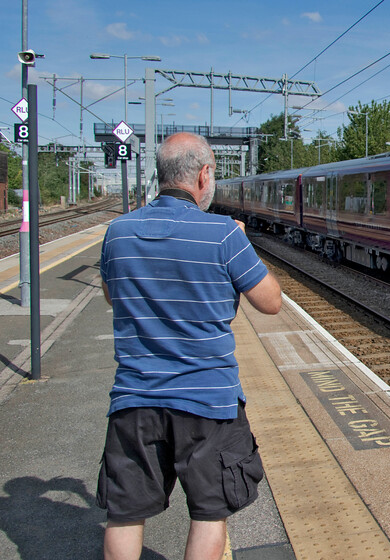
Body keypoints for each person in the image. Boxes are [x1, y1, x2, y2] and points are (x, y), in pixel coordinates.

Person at [97, 132, 283, 560]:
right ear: (203, 175)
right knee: (208, 513)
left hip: (135, 399)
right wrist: (242, 245)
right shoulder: (222, 234)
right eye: (213, 172)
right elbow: (271, 302)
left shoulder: (117, 232)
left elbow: (113, 297)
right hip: (208, 402)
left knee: (124, 515)